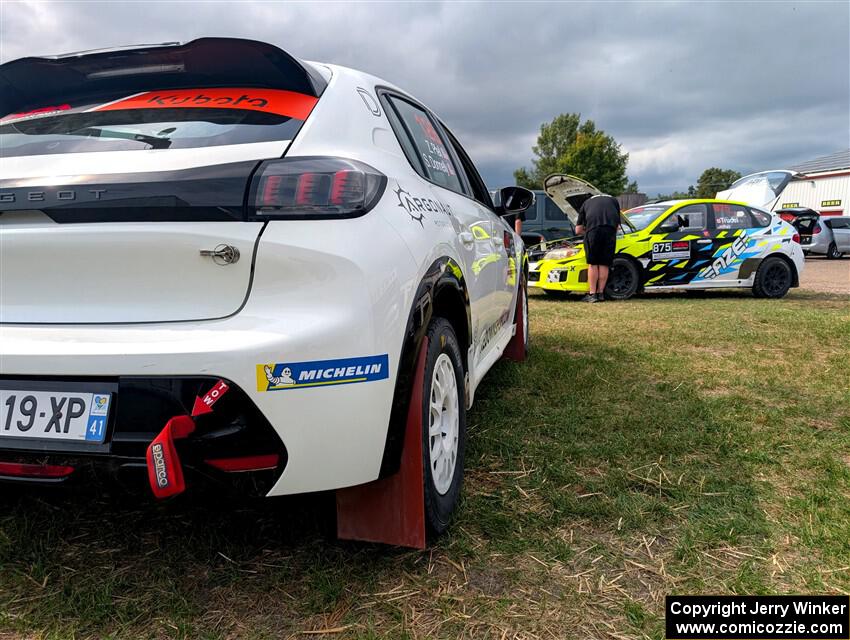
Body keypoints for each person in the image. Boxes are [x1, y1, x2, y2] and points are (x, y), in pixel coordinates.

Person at [575, 194, 621, 302]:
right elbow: (618, 226)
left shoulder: (586, 203)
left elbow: (578, 230)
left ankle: (592, 294)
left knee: (593, 263)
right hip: (610, 231)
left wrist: (587, 232)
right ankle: (601, 293)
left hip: (593, 232)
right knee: (604, 263)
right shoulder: (613, 200)